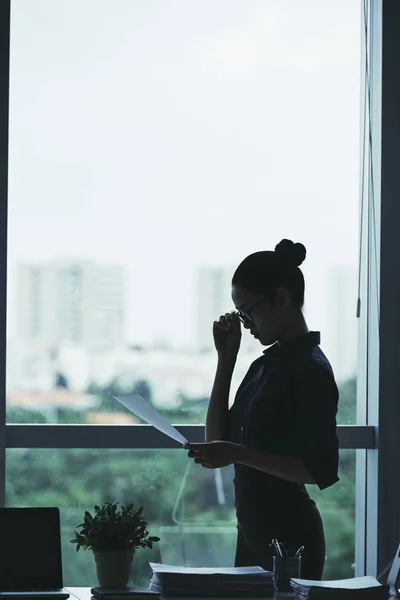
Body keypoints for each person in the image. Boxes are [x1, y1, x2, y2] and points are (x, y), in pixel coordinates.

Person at [186, 239, 339, 580]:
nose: (245, 323)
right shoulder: (263, 367)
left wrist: (238, 453)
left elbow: (320, 471)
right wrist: (226, 361)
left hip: (291, 543)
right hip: (254, 535)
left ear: (281, 298)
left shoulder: (310, 369)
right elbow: (216, 441)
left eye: (248, 311)